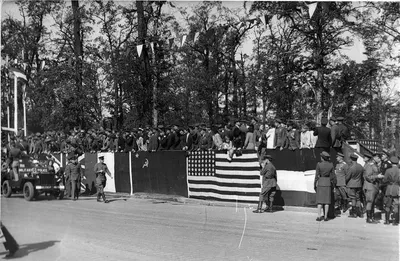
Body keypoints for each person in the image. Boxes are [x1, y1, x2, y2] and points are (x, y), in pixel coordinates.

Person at [314, 151, 336, 221]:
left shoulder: (319, 164)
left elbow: (316, 176)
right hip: (328, 183)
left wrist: (315, 184)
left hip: (321, 182)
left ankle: (319, 216)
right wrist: (334, 185)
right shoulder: (331, 165)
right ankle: (326, 216)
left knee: (319, 201)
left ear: (322, 158)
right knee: (327, 201)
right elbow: (333, 176)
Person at [363, 153, 384, 223]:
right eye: (379, 158)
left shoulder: (374, 165)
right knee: (370, 202)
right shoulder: (370, 165)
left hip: (374, 186)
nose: (380, 159)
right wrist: (377, 177)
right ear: (375, 158)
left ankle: (371, 217)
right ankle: (369, 218)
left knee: (372, 203)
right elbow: (368, 177)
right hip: (369, 186)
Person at [382, 156, 400, 225]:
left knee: (387, 205)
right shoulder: (399, 170)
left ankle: (387, 220)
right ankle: (395, 221)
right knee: (396, 205)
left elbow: (384, 180)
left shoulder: (388, 170)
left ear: (391, 162)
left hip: (389, 188)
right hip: (397, 188)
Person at [346, 153, 364, 218]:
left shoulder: (351, 168)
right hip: (359, 184)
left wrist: (345, 182)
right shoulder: (360, 166)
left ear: (351, 159)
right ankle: (360, 212)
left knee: (353, 199)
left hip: (351, 185)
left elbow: (347, 177)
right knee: (358, 198)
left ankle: (354, 213)